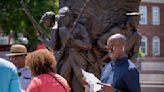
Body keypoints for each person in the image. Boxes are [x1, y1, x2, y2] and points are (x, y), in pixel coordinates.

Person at [57, 6, 92, 92]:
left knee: (83, 81)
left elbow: (88, 45)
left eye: (65, 17)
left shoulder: (80, 28)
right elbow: (60, 46)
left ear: (70, 16)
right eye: (61, 18)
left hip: (79, 57)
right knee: (62, 78)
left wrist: (75, 41)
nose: (63, 20)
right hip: (67, 58)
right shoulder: (61, 30)